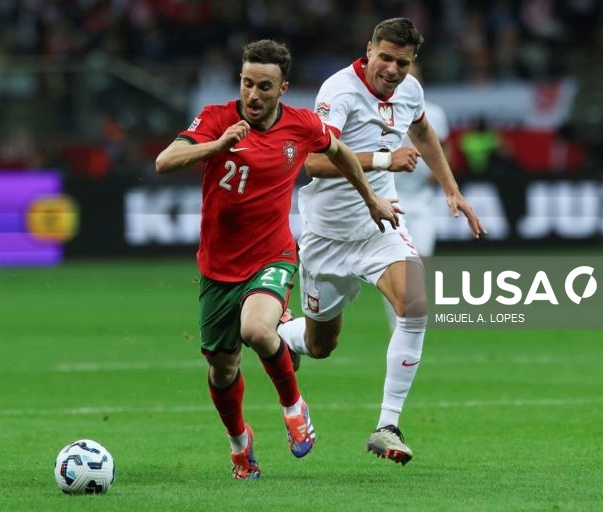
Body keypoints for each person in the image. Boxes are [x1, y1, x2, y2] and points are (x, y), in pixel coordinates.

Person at [155, 39, 403, 480]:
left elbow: (339, 151)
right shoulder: (216, 119)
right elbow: (165, 161)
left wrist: (371, 198)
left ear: (282, 88)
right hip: (217, 266)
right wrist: (216, 146)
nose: (253, 95)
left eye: (264, 87)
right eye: (247, 84)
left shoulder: (302, 125)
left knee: (256, 329)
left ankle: (294, 407)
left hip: (273, 253)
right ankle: (240, 445)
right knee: (221, 367)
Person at [278, 18, 486, 465]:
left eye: (403, 62)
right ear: (368, 49)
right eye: (386, 57)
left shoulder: (410, 90)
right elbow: (313, 162)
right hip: (327, 237)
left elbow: (423, 131)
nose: (392, 69)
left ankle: (387, 424)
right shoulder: (339, 92)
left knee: (415, 304)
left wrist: (450, 187)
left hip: (381, 226)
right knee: (321, 346)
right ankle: (281, 335)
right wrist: (385, 160)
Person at [384, 63, 452, 326]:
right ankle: (398, 327)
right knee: (398, 268)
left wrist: (442, 177)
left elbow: (445, 150)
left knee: (419, 266)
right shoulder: (380, 111)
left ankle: (402, 324)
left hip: (422, 202)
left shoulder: (433, 113)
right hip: (390, 200)